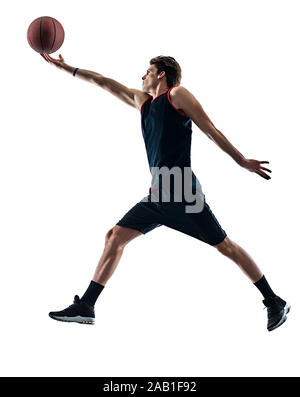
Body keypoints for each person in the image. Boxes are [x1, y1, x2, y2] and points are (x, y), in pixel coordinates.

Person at [40, 53, 290, 331]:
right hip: (159, 194)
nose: (142, 76)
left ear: (161, 74)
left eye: (148, 71)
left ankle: (274, 300)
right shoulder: (143, 102)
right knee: (114, 236)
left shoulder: (177, 95)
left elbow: (211, 130)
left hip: (183, 190)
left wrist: (241, 160)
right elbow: (103, 82)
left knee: (225, 247)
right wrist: (67, 69)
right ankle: (86, 305)